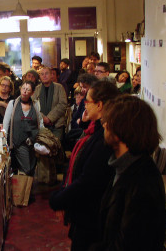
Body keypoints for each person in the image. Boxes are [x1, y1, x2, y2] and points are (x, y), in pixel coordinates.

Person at [50, 81, 120, 251]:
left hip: (92, 219)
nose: (83, 105)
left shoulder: (105, 138)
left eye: (87, 101)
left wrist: (60, 199)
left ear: (100, 104)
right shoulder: (96, 130)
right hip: (85, 216)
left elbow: (88, 180)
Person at [90, 95, 166, 250]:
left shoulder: (143, 182)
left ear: (120, 131)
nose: (103, 125)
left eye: (107, 122)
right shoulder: (122, 166)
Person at [32, 66, 67, 184]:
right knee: (43, 151)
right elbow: (34, 105)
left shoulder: (59, 87)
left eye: (47, 73)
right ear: (40, 76)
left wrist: (50, 118)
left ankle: (54, 178)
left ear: (52, 75)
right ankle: (44, 178)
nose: (45, 76)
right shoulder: (37, 89)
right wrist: (43, 118)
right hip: (42, 125)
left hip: (56, 124)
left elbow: (62, 104)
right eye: (42, 74)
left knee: (54, 149)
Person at [3, 81, 43, 175]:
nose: (25, 91)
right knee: (27, 168)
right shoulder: (13, 104)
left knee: (32, 168)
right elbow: (6, 123)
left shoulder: (35, 104)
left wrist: (43, 137)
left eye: (28, 89)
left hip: (33, 142)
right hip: (19, 142)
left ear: (32, 93)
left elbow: (40, 121)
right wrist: (4, 141)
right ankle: (25, 186)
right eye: (23, 88)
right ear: (20, 89)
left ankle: (28, 188)